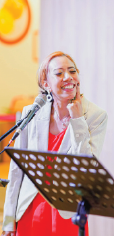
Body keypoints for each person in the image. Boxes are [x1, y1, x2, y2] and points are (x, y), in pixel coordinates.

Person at [2, 52, 108, 236]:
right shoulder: (31, 113)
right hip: (29, 211)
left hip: (66, 215)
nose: (68, 77)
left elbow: (85, 168)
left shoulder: (96, 116)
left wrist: (77, 120)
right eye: (59, 73)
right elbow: (16, 170)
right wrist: (9, 221)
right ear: (46, 83)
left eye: (72, 71)